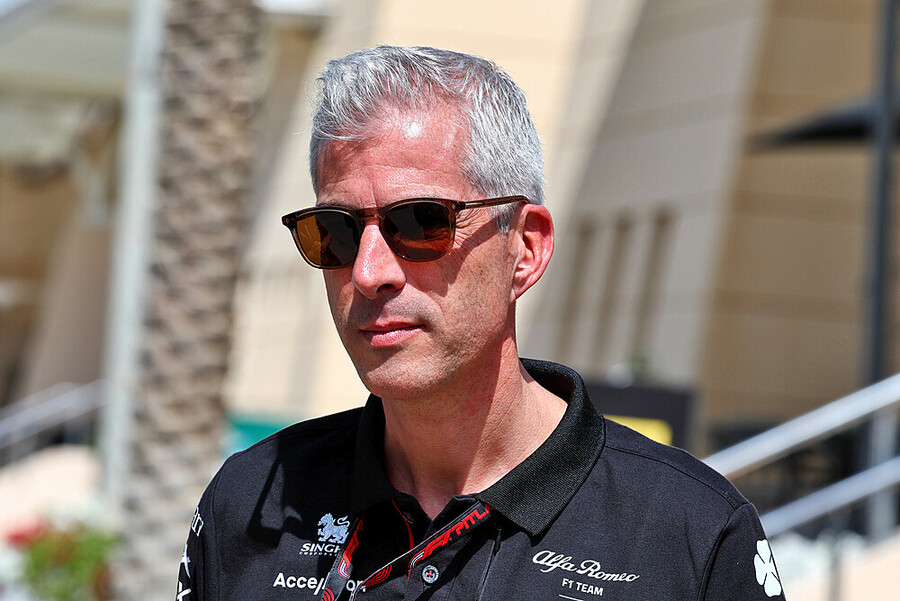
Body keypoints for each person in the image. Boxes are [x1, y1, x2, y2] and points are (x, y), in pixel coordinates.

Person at [177, 45, 786, 601]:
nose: (368, 272)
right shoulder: (246, 500)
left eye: (420, 222)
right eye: (334, 231)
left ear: (525, 249)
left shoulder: (691, 534)